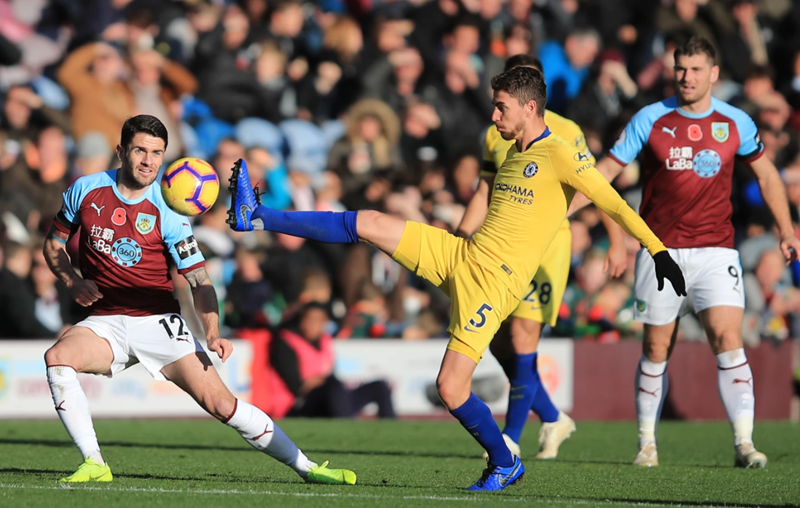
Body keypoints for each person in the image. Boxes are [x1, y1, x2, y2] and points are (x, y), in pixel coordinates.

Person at [227, 66, 686, 491]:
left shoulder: (561, 155)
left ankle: (504, 461)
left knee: (451, 388)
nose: (493, 114)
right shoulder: (508, 150)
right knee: (369, 221)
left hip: (494, 284)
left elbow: (614, 202)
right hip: (462, 254)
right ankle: (257, 215)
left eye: (501, 105)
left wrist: (657, 250)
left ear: (529, 107)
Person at [42, 115, 356, 485]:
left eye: (157, 153)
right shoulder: (86, 190)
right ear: (121, 151)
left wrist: (212, 331)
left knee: (223, 406)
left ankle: (308, 468)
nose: (148, 161)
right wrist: (72, 281)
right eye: (140, 150)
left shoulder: (170, 210)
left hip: (158, 322)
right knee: (57, 358)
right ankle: (94, 463)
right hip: (106, 320)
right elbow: (53, 243)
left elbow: (200, 281)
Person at [570, 36, 800, 468]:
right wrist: (561, 210)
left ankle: (744, 444)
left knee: (728, 339)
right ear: (672, 70)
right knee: (656, 348)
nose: (687, 77)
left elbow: (768, 177)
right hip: (660, 252)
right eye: (680, 68)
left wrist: (786, 230)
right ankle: (646, 445)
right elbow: (605, 172)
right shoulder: (650, 119)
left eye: (696, 69)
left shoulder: (735, 122)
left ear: (713, 74)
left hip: (717, 250)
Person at [455, 54, 628, 461]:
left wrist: (616, 240)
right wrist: (463, 233)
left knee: (522, 336)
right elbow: (485, 188)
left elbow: (595, 185)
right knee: (498, 343)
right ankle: (552, 416)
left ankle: (510, 436)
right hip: (501, 245)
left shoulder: (566, 132)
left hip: (549, 244)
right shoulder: (494, 133)